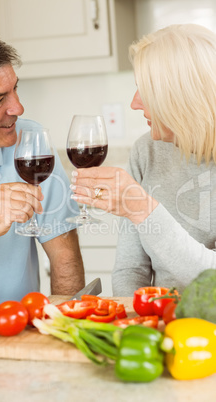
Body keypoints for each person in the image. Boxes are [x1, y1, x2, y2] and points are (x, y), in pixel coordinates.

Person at [70, 23, 216, 296]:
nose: (135, 103)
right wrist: (138, 323)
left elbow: (212, 278)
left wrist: (141, 208)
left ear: (183, 98)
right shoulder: (145, 151)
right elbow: (130, 269)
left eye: (145, 90)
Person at [0, 30, 85, 307]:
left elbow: (64, 257)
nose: (18, 108)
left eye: (15, 89)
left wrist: (65, 329)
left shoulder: (30, 143)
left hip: (18, 326)